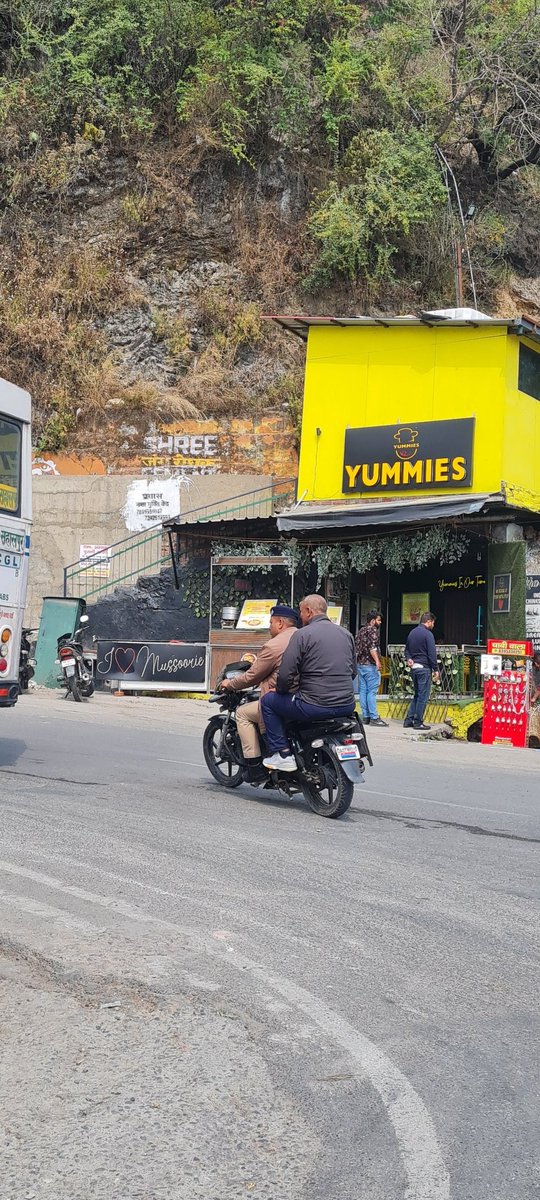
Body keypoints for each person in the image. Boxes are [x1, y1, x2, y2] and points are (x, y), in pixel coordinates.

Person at [260, 594, 356, 772]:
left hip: (313, 705)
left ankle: (282, 754)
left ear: (309, 611)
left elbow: (286, 673)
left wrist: (280, 690)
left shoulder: (302, 635)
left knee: (268, 701)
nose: (300, 616)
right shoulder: (346, 634)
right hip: (346, 705)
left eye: (301, 611)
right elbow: (353, 672)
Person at [220, 604, 299, 780]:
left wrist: (230, 683)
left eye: (271, 622)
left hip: (282, 698)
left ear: (280, 623)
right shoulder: (303, 637)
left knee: (242, 713)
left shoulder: (273, 645)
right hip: (304, 696)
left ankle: (254, 766)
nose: (269, 627)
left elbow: (252, 676)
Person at [403, 612, 439, 731]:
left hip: (414, 668)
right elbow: (431, 654)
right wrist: (436, 669)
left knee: (417, 695)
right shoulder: (428, 634)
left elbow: (407, 650)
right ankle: (418, 722)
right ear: (428, 621)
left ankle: (408, 720)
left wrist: (409, 659)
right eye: (433, 623)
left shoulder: (412, 632)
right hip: (424, 668)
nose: (433, 625)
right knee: (423, 696)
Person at [355, 610, 388, 727]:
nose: (380, 622)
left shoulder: (361, 630)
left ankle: (366, 716)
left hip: (360, 665)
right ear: (373, 621)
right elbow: (372, 648)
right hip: (370, 665)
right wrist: (378, 661)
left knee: (363, 691)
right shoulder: (372, 630)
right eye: (379, 620)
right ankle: (374, 717)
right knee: (372, 692)